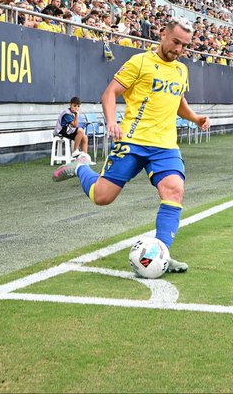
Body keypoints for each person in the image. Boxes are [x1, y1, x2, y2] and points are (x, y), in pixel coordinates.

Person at [54, 18, 209, 273]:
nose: (179, 50)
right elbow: (109, 94)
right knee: (102, 197)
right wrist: (112, 122)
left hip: (165, 146)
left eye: (184, 46)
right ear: (163, 35)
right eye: (176, 42)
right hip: (133, 141)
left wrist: (195, 118)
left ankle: (163, 255)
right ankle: (80, 166)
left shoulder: (181, 70)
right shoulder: (140, 62)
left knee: (174, 191)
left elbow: (177, 100)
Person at [55, 96, 93, 165]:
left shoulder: (73, 113)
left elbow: (75, 126)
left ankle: (85, 160)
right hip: (61, 132)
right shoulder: (67, 113)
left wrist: (76, 115)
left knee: (84, 137)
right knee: (81, 131)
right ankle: (75, 151)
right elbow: (75, 125)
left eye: (78, 106)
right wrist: (76, 115)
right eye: (74, 105)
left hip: (68, 131)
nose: (76, 108)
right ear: (70, 105)